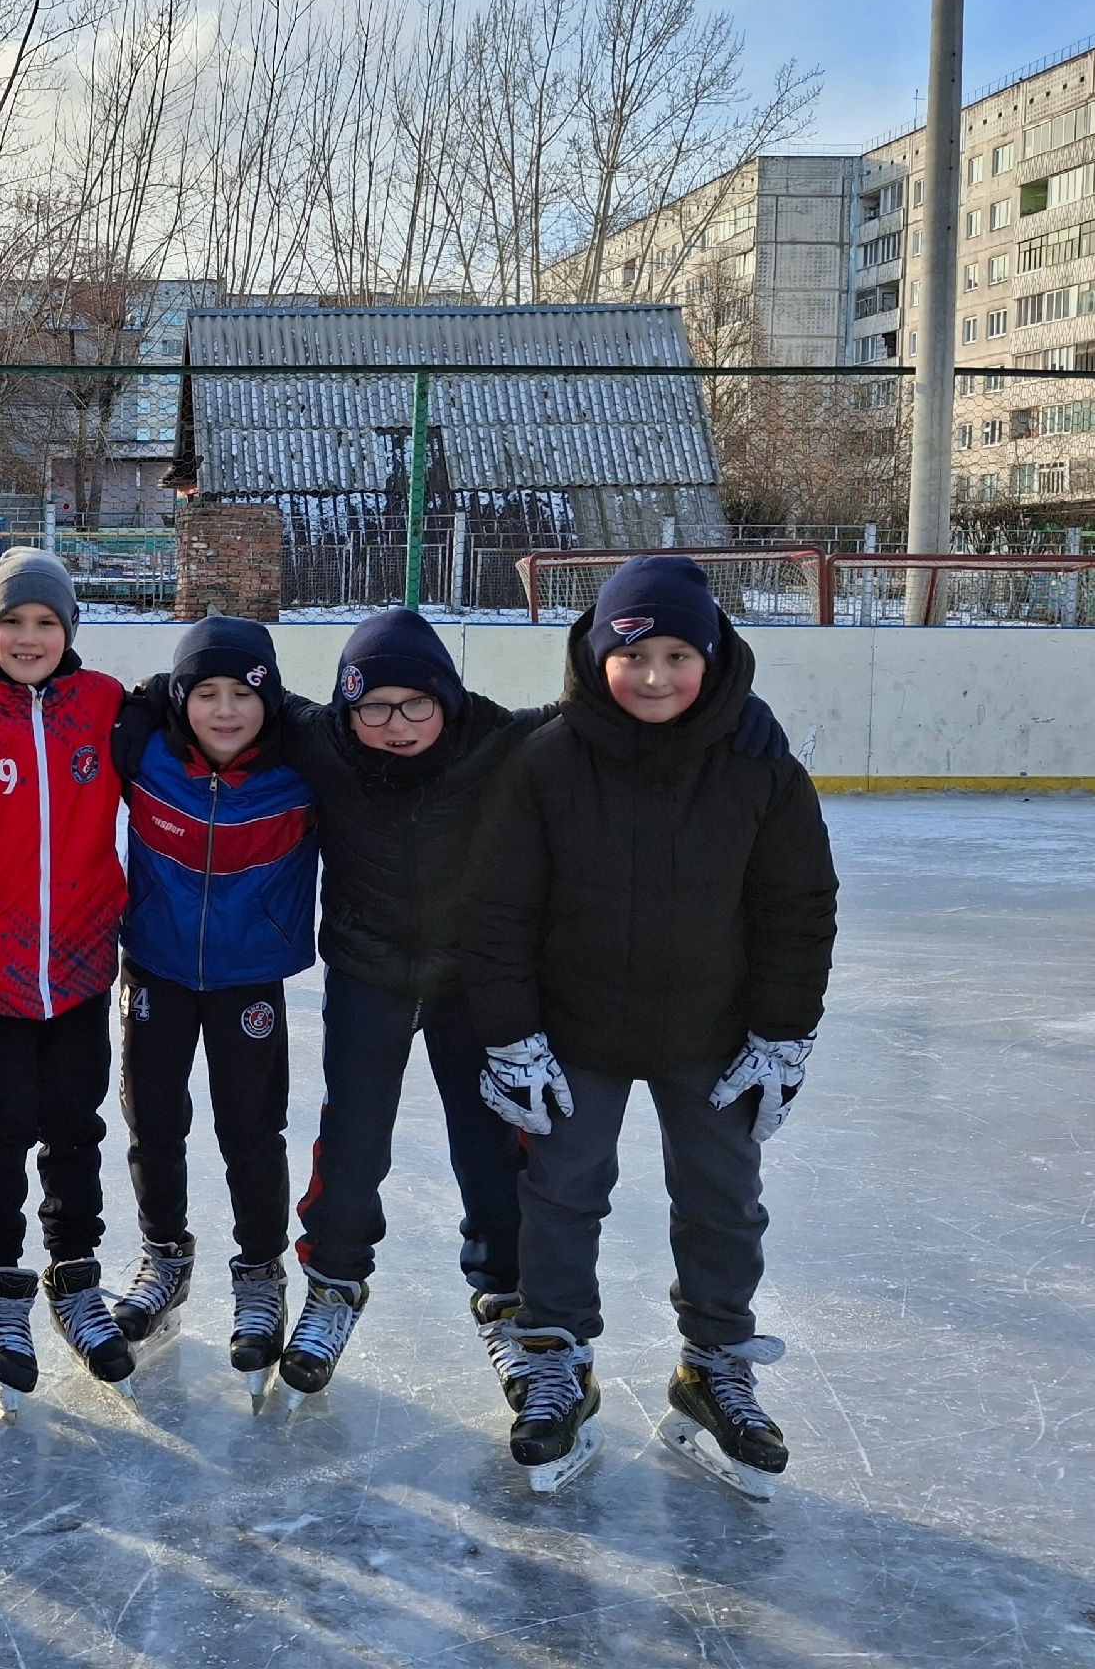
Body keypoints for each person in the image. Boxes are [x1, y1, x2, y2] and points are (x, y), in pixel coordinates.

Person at [462, 555, 837, 1496]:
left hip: (711, 1033)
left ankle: (715, 1364)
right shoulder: (542, 758)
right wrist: (511, 1033)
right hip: (572, 1032)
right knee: (561, 1190)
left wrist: (781, 1033)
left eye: (679, 654)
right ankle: (555, 1357)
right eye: (635, 656)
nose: (657, 676)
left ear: (712, 656)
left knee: (721, 1196)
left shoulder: (760, 762)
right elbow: (496, 909)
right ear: (597, 656)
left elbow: (798, 905)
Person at [270, 609, 552, 1405]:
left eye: (416, 705)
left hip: (472, 982)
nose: (396, 726)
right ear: (347, 708)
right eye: (374, 709)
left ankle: (506, 1294)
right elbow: (235, 683)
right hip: (369, 970)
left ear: (448, 700)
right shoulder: (323, 741)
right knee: (354, 1136)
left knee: (490, 1142)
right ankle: (334, 1286)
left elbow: (595, 714)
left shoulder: (499, 739)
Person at [0, 548, 133, 1417]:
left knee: (76, 1126)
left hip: (83, 963)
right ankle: (2, 1287)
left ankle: (75, 1279)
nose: (30, 636)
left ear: (69, 629)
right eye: (12, 620)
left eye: (47, 621)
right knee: (1, 1130)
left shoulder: (108, 706)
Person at [107, 615, 319, 1407]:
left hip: (250, 975)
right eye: (206, 694)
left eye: (243, 694)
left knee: (250, 1128)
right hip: (157, 965)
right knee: (152, 1119)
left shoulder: (305, 766)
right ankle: (165, 1257)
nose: (224, 711)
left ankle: (261, 1272)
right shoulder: (145, 749)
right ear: (181, 698)